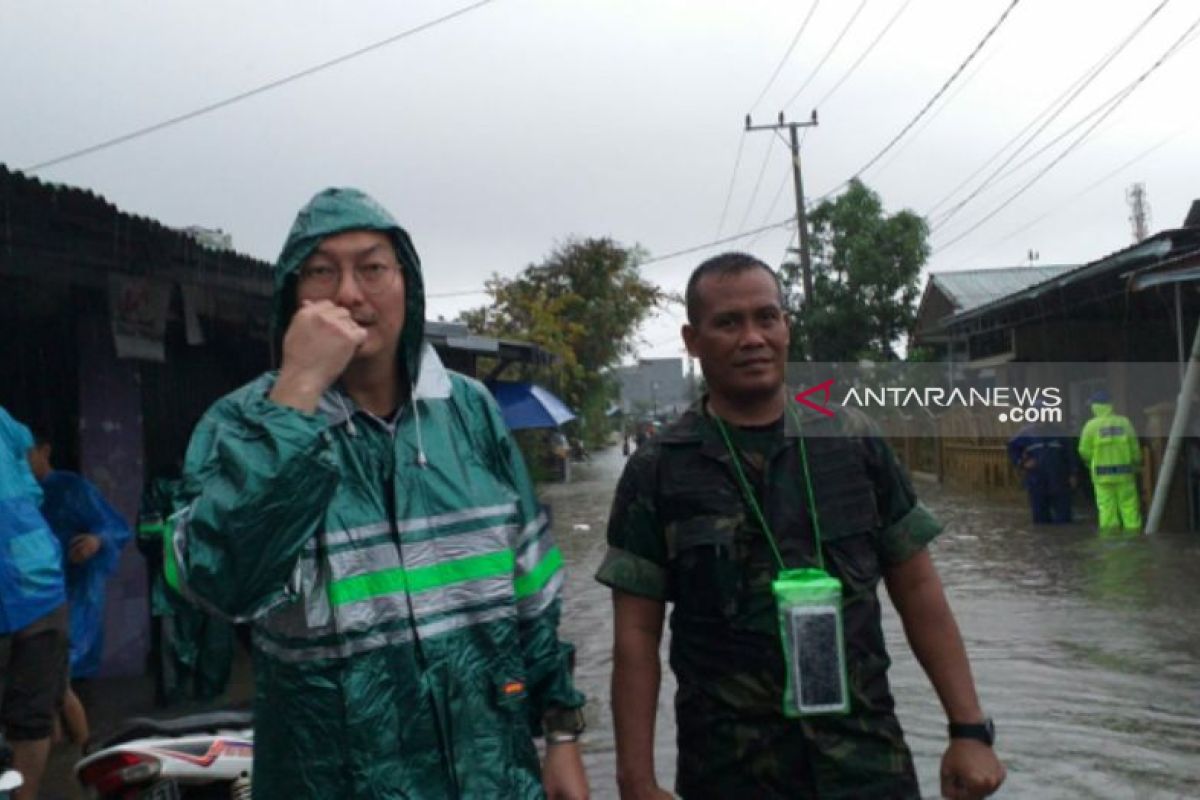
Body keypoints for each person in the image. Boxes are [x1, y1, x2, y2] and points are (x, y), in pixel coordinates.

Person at [166, 188, 588, 799]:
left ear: (407, 285)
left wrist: (562, 735)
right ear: (291, 296)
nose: (348, 293)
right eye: (321, 272)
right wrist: (300, 392)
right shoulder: (242, 424)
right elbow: (216, 583)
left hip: (491, 777)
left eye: (372, 268)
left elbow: (533, 587)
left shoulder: (470, 414)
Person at [597, 253, 1005, 800]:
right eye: (728, 323)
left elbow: (919, 588)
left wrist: (969, 730)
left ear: (786, 327)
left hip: (866, 762)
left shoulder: (851, 439)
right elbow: (636, 635)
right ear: (692, 341)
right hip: (729, 772)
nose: (752, 338)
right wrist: (636, 780)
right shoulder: (659, 470)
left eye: (767, 317)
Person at [0, 407, 68, 800]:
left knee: (31, 720)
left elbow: (31, 472)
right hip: (36, 575)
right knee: (32, 719)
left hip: (34, 585)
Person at [27, 431, 133, 679]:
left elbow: (115, 526)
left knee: (63, 664)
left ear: (45, 451)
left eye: (27, 455)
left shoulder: (70, 488)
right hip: (34, 589)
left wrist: (96, 541)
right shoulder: (18, 496)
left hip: (75, 587)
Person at [1078, 389, 1143, 532]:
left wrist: (1091, 463)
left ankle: (1110, 544)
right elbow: (1135, 449)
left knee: (1107, 511)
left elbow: (1084, 451)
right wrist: (1137, 464)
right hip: (1125, 473)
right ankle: (1134, 540)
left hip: (1102, 475)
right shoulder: (1125, 423)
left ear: (1095, 406)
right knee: (1130, 508)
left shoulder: (1090, 426)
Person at [1006, 413, 1074, 524]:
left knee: (1064, 518)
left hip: (1059, 480)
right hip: (1036, 481)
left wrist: (1073, 473)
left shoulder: (1059, 432)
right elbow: (1011, 448)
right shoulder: (1026, 433)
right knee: (1040, 519)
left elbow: (1069, 454)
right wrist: (1022, 462)